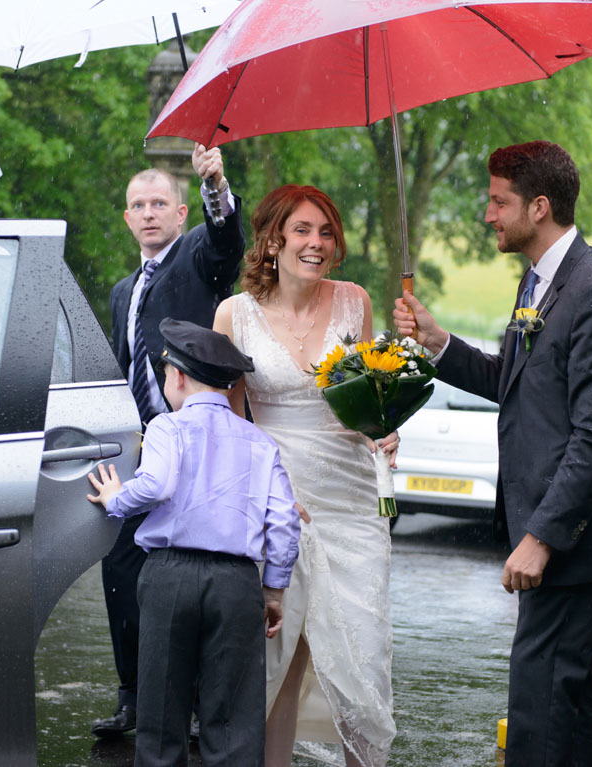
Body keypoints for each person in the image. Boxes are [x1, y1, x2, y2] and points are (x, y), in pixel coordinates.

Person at [393, 141, 592, 767]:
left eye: (499, 202)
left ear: (539, 207)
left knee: (538, 688)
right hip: (553, 523)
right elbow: (512, 382)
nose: (487, 215)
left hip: (579, 531)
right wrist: (438, 343)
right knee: (566, 688)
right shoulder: (538, 282)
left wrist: (542, 536)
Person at [213, 185, 398, 767]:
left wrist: (384, 427)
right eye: (302, 230)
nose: (316, 243)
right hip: (278, 504)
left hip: (351, 502)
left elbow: (365, 401)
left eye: (325, 232)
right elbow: (226, 421)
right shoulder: (233, 314)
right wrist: (263, 497)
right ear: (272, 239)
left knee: (362, 660)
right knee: (279, 663)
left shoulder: (354, 303)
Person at [87, 318, 301, 767]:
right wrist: (275, 588)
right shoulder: (260, 443)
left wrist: (115, 499)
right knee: (231, 720)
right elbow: (283, 520)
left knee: (162, 712)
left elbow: (156, 485)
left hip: (170, 575)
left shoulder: (168, 426)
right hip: (237, 583)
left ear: (178, 377)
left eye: (166, 374)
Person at [93, 145, 245, 737]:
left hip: (196, 448)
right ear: (127, 218)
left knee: (194, 574)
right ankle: (134, 696)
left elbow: (226, 245)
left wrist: (215, 187)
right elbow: (119, 367)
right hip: (137, 450)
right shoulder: (121, 291)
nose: (149, 212)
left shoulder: (196, 261)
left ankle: (201, 709)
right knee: (121, 571)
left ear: (180, 214)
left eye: (160, 203)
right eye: (138, 205)